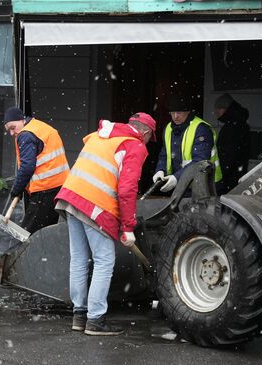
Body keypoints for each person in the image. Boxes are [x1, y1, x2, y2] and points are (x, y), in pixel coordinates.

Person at [55, 112, 156, 336]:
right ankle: (96, 320)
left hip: (70, 197)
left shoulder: (100, 136)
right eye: (150, 138)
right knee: (104, 261)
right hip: (94, 205)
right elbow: (127, 190)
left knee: (79, 260)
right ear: (146, 132)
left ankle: (79, 316)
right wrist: (128, 227)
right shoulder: (135, 146)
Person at [4, 107, 69, 233]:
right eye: (8, 130)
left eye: (13, 127)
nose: (12, 133)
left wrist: (16, 190)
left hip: (44, 190)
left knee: (27, 235)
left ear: (22, 120)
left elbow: (27, 167)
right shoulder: (40, 127)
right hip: (58, 188)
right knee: (44, 234)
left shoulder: (26, 135)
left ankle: (20, 254)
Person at [152, 95, 221, 193]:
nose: (175, 116)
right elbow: (164, 154)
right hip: (182, 185)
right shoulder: (169, 128)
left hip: (204, 184)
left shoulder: (201, 129)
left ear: (188, 112)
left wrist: (177, 177)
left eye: (179, 112)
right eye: (172, 112)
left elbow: (200, 160)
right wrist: (160, 170)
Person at [214, 93, 251, 194]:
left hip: (230, 177)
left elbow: (230, 155)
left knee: (228, 203)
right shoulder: (235, 124)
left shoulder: (234, 126)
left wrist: (221, 175)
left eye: (220, 108)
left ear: (228, 108)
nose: (216, 111)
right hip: (233, 175)